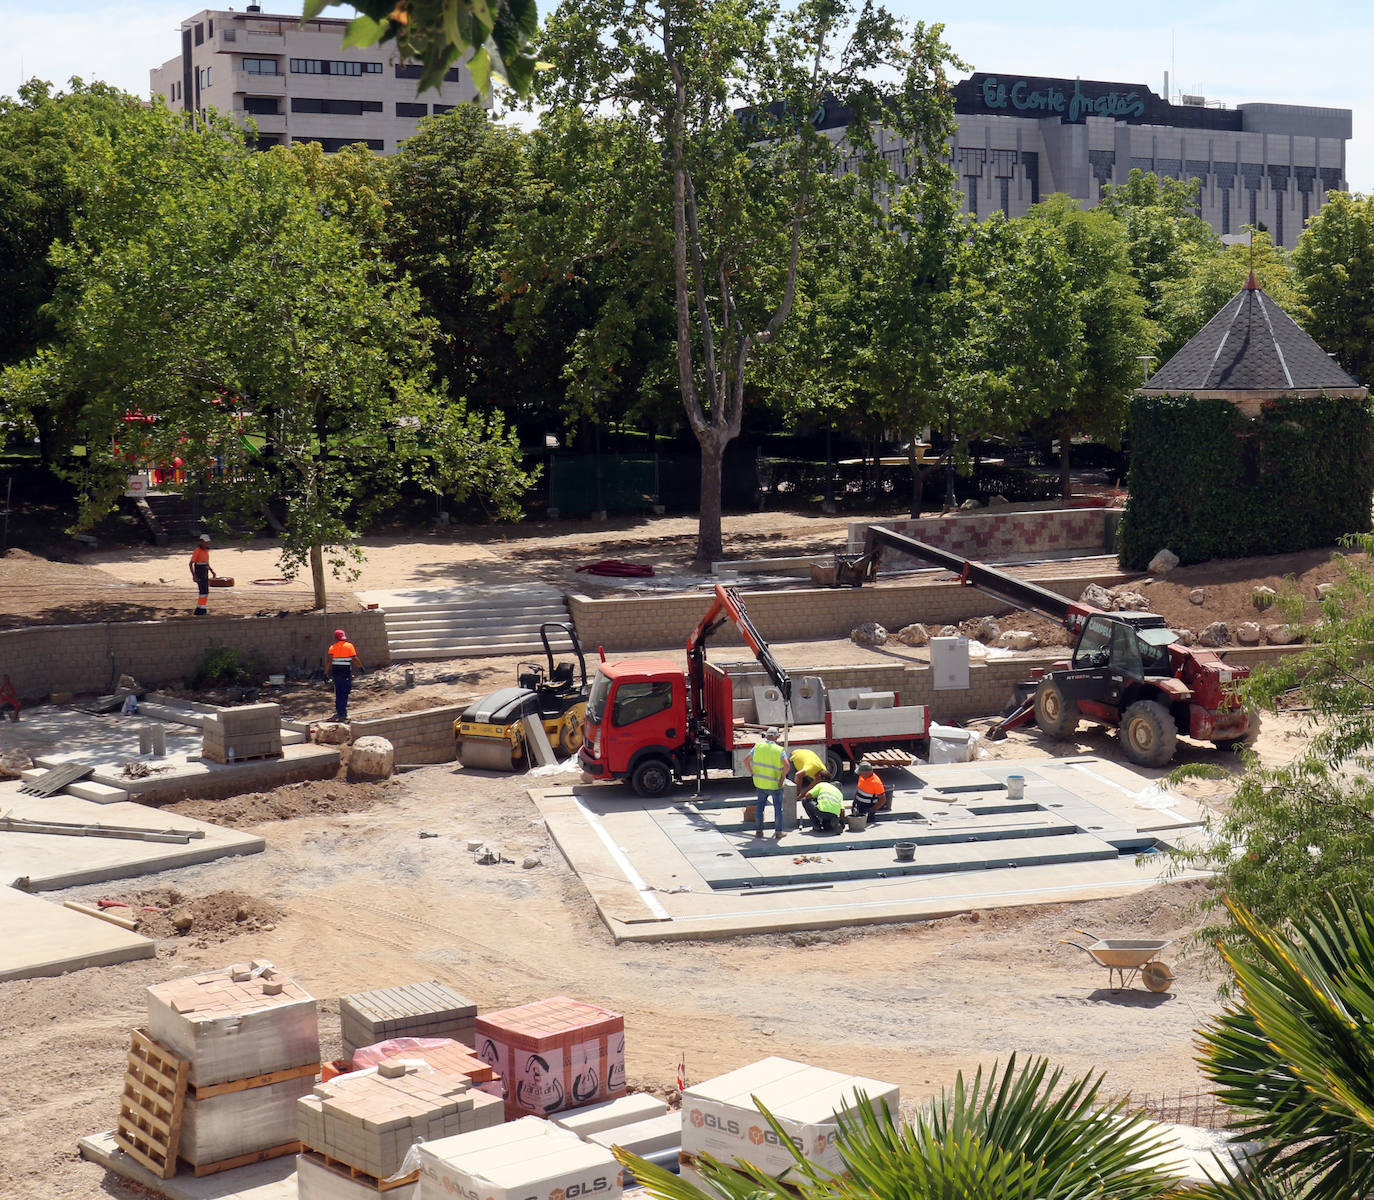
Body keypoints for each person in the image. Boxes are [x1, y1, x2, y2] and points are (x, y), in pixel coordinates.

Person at [743, 726, 790, 839]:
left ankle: (759, 831)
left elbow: (746, 760)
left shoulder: (758, 747)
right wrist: (782, 779)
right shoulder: (779, 750)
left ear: (766, 736)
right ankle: (778, 832)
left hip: (760, 783)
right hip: (775, 784)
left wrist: (752, 772)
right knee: (778, 808)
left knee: (760, 807)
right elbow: (787, 766)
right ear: (777, 737)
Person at [327, 628, 358, 722]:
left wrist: (325, 673)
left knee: (338, 693)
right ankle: (342, 714)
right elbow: (355, 658)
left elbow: (329, 661)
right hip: (346, 674)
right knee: (344, 693)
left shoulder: (332, 647)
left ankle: (339, 711)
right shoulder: (349, 646)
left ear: (335, 638)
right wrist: (361, 667)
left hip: (336, 674)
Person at [852, 761, 888, 827]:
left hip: (868, 807)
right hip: (859, 805)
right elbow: (858, 790)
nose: (860, 775)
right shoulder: (862, 777)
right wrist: (854, 802)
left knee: (867, 823)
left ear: (867, 772)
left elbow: (882, 800)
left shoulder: (876, 783)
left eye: (861, 773)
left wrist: (871, 810)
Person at [188, 533, 216, 616]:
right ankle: (201, 608)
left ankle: (200, 607)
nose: (206, 543)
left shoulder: (206, 550)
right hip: (199, 572)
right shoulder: (197, 551)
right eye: (205, 542)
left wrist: (211, 571)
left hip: (205, 572)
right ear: (201, 541)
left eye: (207, 542)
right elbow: (191, 564)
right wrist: (194, 576)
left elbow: (206, 563)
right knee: (203, 591)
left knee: (205, 592)